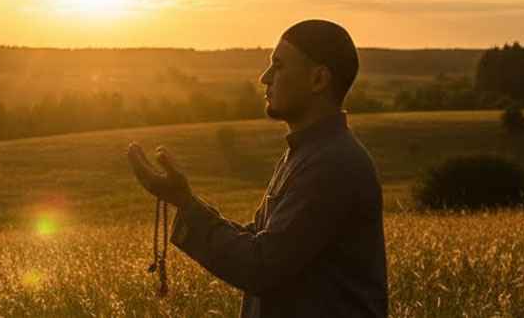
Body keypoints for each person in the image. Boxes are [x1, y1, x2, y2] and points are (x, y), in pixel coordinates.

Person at [128, 19, 387, 317]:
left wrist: (186, 204)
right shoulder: (309, 154)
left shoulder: (333, 164)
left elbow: (260, 265)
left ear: (318, 79)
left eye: (278, 65)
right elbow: (261, 243)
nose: (265, 78)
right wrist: (183, 202)